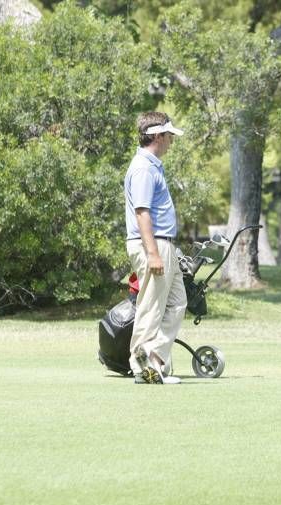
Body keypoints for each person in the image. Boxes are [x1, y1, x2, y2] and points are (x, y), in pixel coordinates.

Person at [124, 111, 186, 384]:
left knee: (176, 303)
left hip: (164, 244)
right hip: (153, 244)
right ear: (157, 136)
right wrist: (153, 254)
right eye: (169, 135)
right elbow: (142, 213)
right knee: (151, 306)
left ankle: (155, 362)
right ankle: (142, 367)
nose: (171, 140)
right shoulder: (143, 168)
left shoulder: (153, 166)